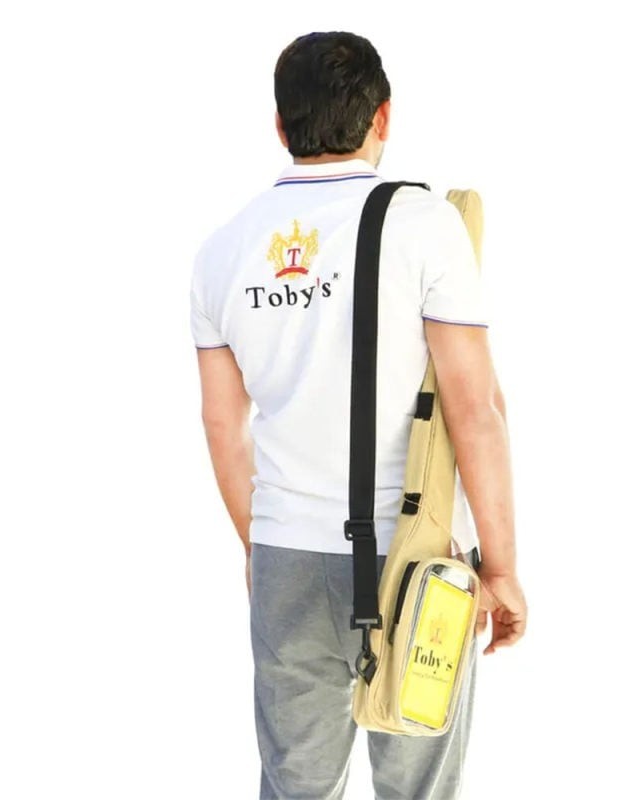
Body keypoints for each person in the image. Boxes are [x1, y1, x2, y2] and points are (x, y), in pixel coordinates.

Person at [190, 30, 527, 800]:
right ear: (383, 117)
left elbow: (223, 425)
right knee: (418, 788)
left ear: (281, 126)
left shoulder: (222, 251)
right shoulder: (427, 225)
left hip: (285, 555)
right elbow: (476, 408)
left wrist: (257, 545)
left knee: (295, 788)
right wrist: (503, 569)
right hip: (419, 557)